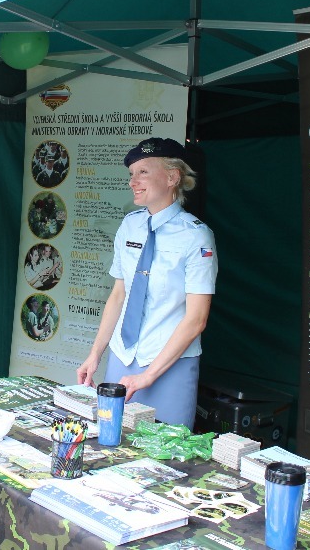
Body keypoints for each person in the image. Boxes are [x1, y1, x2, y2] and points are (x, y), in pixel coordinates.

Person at [76, 137, 217, 428]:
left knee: (167, 453)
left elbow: (197, 319)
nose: (133, 181)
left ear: (172, 176)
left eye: (143, 172)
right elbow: (119, 295)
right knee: (111, 439)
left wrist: (149, 375)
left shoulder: (196, 236)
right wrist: (95, 355)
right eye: (131, 174)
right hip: (122, 357)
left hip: (170, 364)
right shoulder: (130, 224)